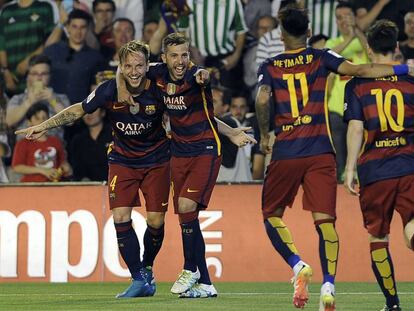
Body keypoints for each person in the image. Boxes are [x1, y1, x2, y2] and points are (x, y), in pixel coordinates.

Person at [255, 4, 414, 311]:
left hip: (288, 150)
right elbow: (359, 69)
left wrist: (265, 134)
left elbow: (263, 97)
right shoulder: (322, 57)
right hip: (321, 151)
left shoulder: (271, 63)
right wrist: (402, 69)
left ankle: (298, 265)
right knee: (326, 223)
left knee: (271, 214)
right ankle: (329, 285)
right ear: (309, 32)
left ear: (282, 33)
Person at [16, 41, 170, 299]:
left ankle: (147, 267)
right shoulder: (109, 90)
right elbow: (78, 109)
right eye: (128, 66)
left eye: (139, 65)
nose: (134, 71)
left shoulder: (159, 88)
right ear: (120, 67)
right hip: (123, 161)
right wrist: (46, 125)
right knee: (121, 217)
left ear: (148, 66)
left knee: (156, 221)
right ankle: (138, 279)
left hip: (157, 161)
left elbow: (189, 106)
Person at [117, 33, 256, 298]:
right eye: (175, 56)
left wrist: (229, 133)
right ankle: (205, 282)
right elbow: (123, 65)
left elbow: (203, 78)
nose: (180, 61)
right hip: (178, 152)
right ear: (163, 58)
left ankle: (190, 267)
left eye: (185, 55)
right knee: (187, 218)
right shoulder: (155, 73)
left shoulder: (196, 76)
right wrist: (121, 86)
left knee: (186, 207)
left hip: (204, 149)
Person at [344, 20, 414, 311]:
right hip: (410, 165)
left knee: (378, 236)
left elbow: (356, 128)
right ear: (397, 47)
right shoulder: (411, 80)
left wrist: (349, 168)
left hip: (375, 171)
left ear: (369, 49)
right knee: (412, 226)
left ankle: (393, 304)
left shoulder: (358, 85)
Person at [325, 1, 369, 183]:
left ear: (355, 17)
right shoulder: (333, 42)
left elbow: (372, 52)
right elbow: (328, 56)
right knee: (339, 151)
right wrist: (350, 38)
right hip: (336, 106)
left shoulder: (366, 41)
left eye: (347, 16)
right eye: (339, 18)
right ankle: (339, 183)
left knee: (362, 147)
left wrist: (357, 31)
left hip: (363, 104)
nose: (343, 21)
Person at [6, 55, 70, 140]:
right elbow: (9, 121)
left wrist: (53, 100)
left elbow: (70, 121)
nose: (39, 78)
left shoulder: (60, 98)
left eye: (44, 74)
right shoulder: (17, 99)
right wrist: (29, 102)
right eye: (35, 73)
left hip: (54, 149)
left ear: (50, 76)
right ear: (28, 76)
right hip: (25, 149)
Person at [12, 102, 71, 182]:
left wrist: (65, 168)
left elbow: (62, 163)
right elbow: (17, 167)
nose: (41, 122)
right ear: (29, 122)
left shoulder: (56, 141)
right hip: (31, 187)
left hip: (54, 186)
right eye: (37, 118)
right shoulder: (23, 143)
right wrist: (43, 171)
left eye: (44, 118)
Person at [69, 108, 112, 181]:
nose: (89, 114)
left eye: (93, 110)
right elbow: (76, 168)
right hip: (87, 188)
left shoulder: (114, 135)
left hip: (113, 185)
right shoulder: (78, 140)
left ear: (103, 113)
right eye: (86, 111)